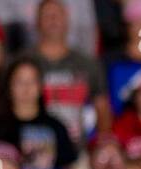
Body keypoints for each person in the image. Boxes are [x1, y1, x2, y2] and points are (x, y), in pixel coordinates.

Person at [29, 0, 111, 148]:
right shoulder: (23, 63)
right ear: (37, 22)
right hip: (35, 150)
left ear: (67, 19)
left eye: (58, 15)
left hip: (78, 151)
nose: (53, 20)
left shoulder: (88, 64)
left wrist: (101, 144)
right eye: (47, 15)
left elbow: (102, 109)